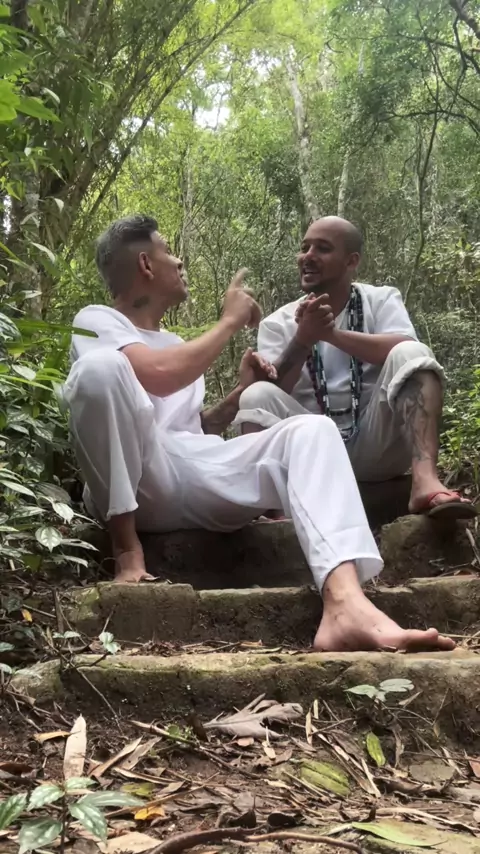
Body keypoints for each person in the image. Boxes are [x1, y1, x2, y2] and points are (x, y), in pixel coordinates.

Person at [63, 214, 455, 654]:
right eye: (168, 251)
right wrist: (229, 321)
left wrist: (238, 395)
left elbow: (192, 428)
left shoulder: (174, 343)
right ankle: (127, 551)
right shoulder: (97, 321)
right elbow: (157, 376)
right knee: (99, 371)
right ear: (145, 265)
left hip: (186, 475)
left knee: (310, 430)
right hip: (133, 486)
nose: (179, 260)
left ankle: (345, 602)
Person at [235, 215, 476, 521]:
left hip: (378, 445)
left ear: (351, 261)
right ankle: (273, 509)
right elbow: (275, 389)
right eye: (304, 247)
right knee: (256, 394)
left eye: (322, 248)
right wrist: (303, 339)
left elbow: (404, 347)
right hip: (314, 452)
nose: (307, 256)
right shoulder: (277, 323)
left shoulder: (381, 299)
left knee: (412, 352)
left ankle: (425, 481)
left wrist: (331, 335)